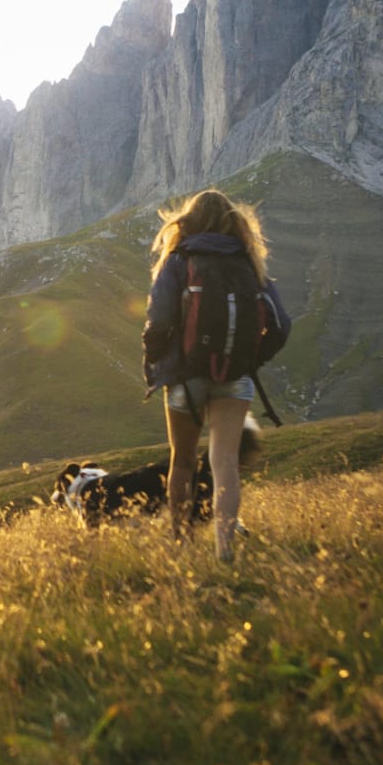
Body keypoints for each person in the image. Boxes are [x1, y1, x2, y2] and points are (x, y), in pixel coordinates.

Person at [141, 189, 289, 561]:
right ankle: (225, 547)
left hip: (184, 377)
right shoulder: (248, 262)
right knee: (224, 462)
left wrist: (156, 360)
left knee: (184, 461)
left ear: (188, 221)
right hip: (234, 376)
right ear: (231, 220)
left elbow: (158, 319)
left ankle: (181, 545)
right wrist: (252, 358)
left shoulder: (178, 259)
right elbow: (281, 323)